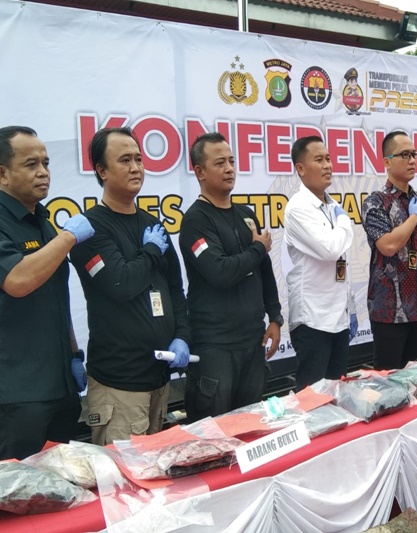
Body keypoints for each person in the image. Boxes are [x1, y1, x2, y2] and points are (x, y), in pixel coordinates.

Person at [70, 127, 191, 445]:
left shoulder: (153, 224)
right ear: (102, 170)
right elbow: (120, 283)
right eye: (125, 160)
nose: (136, 167)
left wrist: (182, 336)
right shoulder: (89, 230)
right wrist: (150, 250)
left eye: (139, 159)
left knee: (154, 469)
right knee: (121, 473)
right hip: (118, 383)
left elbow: (175, 289)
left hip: (158, 380)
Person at [0, 126, 95, 460]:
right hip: (17, 394)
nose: (43, 172)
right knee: (17, 488)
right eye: (31, 164)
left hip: (60, 385)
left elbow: (57, 295)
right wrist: (68, 238)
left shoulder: (42, 219)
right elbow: (18, 280)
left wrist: (74, 355)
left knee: (59, 485)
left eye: (46, 163)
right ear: (2, 174)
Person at [179, 133, 282, 421]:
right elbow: (220, 272)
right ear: (200, 172)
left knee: (250, 427)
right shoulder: (196, 220)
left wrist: (275, 317)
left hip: (252, 342)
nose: (229, 169)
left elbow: (264, 270)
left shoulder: (246, 214)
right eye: (220, 163)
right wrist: (258, 248)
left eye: (231, 161)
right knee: (215, 434)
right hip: (215, 347)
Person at [362, 131, 417, 370]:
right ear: (387, 162)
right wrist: (413, 218)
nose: (412, 160)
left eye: (414, 154)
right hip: (389, 312)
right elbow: (388, 246)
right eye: (404, 155)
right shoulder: (376, 202)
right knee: (388, 382)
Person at [284, 136, 357, 389]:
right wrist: (345, 220)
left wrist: (350, 308)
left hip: (338, 316)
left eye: (328, 159)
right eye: (319, 160)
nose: (327, 165)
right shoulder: (298, 208)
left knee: (337, 394)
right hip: (313, 318)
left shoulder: (331, 205)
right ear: (300, 168)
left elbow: (342, 262)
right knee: (313, 398)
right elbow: (331, 249)